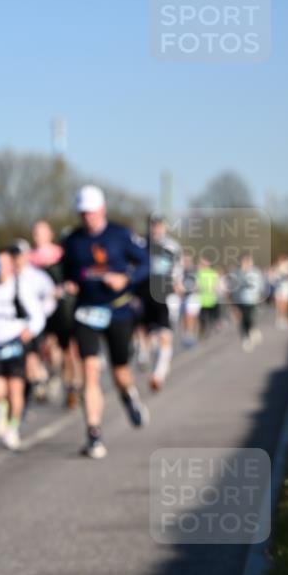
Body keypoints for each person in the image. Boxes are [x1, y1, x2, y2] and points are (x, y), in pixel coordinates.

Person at [62, 185, 150, 459]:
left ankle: (128, 396)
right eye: (83, 213)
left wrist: (126, 279)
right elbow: (68, 272)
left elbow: (146, 263)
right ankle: (94, 433)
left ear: (102, 210)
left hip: (118, 311)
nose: (87, 217)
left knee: (119, 372)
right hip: (87, 312)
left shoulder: (120, 235)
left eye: (91, 212)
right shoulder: (73, 240)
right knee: (90, 370)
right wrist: (70, 284)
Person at [0, 249, 48, 451]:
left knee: (15, 390)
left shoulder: (21, 287)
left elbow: (38, 316)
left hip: (15, 345)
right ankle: (0, 408)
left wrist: (29, 331)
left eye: (3, 264)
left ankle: (12, 428)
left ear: (11, 267)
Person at [29, 220, 81, 407]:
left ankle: (72, 386)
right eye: (35, 232)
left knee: (68, 348)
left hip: (63, 308)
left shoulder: (61, 254)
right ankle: (52, 375)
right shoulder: (29, 258)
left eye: (41, 232)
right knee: (47, 347)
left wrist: (67, 287)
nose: (37, 236)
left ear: (50, 234)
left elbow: (74, 278)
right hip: (42, 310)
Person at [8, 238, 57, 405]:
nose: (17, 259)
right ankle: (38, 379)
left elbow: (50, 297)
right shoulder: (7, 275)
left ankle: (37, 382)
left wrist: (40, 314)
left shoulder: (37, 276)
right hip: (12, 326)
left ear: (27, 255)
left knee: (31, 357)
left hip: (32, 324)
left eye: (19, 255)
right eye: (14, 255)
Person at [138, 215, 183, 391]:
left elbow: (177, 270)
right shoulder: (141, 245)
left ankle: (159, 374)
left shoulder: (172, 247)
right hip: (146, 293)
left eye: (159, 226)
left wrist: (178, 284)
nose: (156, 229)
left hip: (166, 294)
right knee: (147, 333)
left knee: (165, 334)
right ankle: (144, 355)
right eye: (153, 226)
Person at [229, 253, 265, 351]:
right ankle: (246, 338)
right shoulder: (236, 272)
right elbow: (232, 287)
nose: (247, 263)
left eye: (249, 261)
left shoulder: (256, 272)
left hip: (252, 299)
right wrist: (232, 302)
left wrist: (260, 296)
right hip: (239, 300)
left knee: (249, 317)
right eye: (245, 261)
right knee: (242, 319)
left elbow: (260, 285)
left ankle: (252, 330)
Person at [196, 254, 220, 337]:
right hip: (202, 300)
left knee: (209, 318)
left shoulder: (212, 273)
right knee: (203, 318)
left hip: (210, 299)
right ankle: (204, 331)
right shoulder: (199, 272)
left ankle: (208, 330)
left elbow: (216, 286)